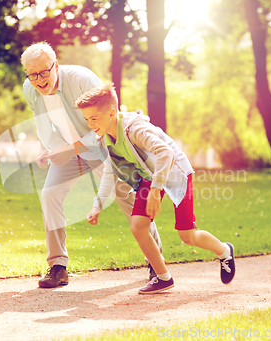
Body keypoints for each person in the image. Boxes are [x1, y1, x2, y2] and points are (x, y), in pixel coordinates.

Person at [20, 42, 163, 288]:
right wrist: (47, 149)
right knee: (50, 194)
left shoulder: (82, 79)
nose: (39, 80)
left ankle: (156, 262)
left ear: (56, 65)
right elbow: (42, 122)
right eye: (33, 75)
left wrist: (70, 149)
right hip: (69, 150)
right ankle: (58, 266)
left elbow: (110, 122)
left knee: (125, 196)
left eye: (44, 72)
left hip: (104, 146)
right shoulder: (30, 89)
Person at [76, 83, 236, 294]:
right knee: (138, 227)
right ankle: (163, 278)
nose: (90, 124)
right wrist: (97, 205)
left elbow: (166, 153)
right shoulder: (105, 138)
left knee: (187, 235)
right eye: (86, 119)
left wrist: (155, 189)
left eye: (93, 119)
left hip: (175, 172)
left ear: (111, 113)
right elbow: (109, 172)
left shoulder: (135, 130)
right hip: (148, 176)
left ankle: (225, 251)